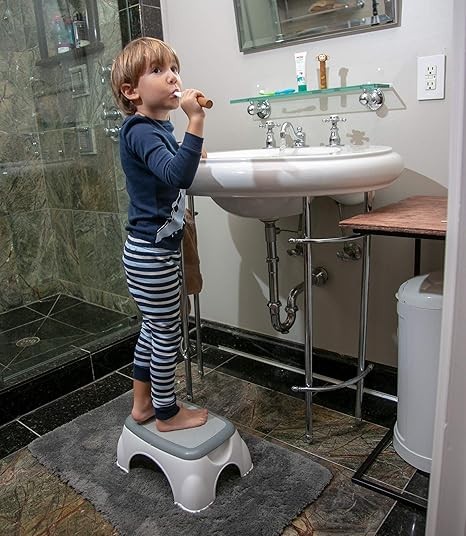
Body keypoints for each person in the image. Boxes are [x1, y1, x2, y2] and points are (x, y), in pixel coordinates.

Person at [111, 37, 208, 432]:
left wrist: (188, 148)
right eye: (158, 70)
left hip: (145, 251)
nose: (172, 78)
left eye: (174, 69)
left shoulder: (151, 128)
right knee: (168, 333)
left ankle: (142, 405)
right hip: (153, 256)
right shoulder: (141, 130)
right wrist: (196, 122)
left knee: (153, 329)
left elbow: (168, 165)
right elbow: (176, 175)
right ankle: (167, 413)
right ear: (131, 91)